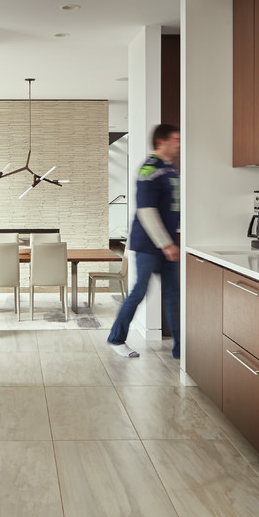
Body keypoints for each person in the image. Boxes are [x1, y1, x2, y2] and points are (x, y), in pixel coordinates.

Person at [108, 124, 181, 359]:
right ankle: (116, 339)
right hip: (149, 245)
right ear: (162, 142)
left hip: (167, 243)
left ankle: (181, 348)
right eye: (175, 139)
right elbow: (146, 211)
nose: (179, 144)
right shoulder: (149, 170)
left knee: (173, 294)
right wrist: (165, 244)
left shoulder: (169, 170)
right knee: (139, 291)